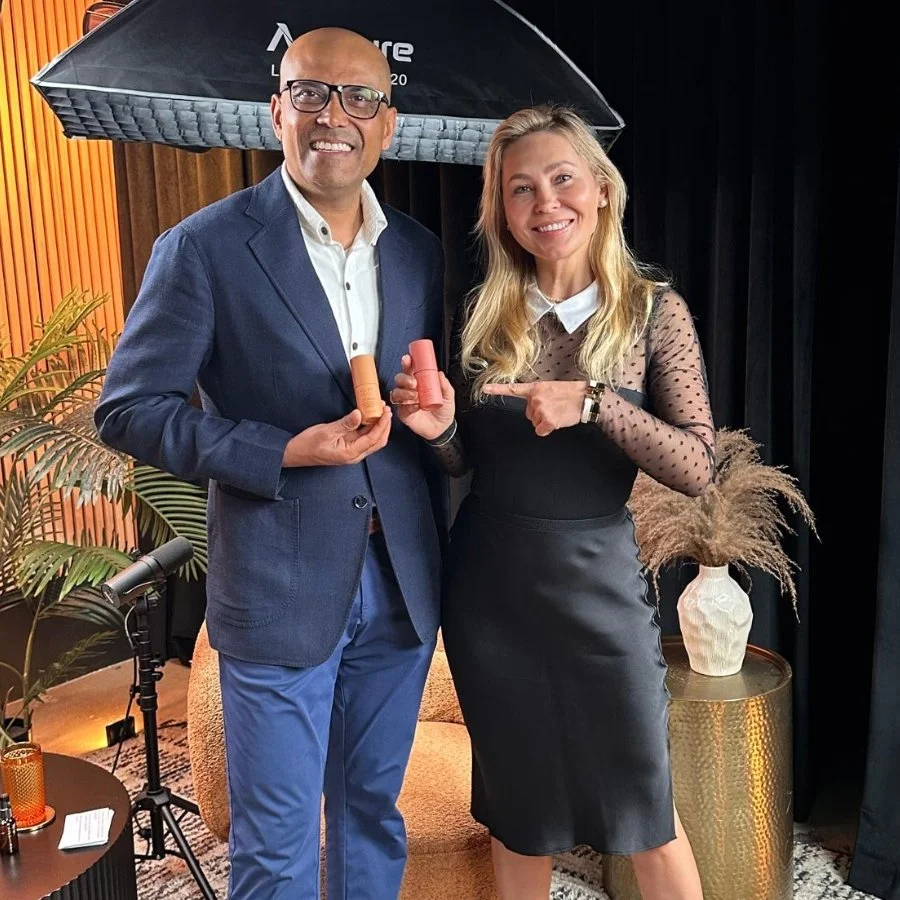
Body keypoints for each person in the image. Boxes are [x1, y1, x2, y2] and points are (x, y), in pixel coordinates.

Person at [95, 27, 445, 900]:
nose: (336, 116)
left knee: (372, 812)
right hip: (277, 582)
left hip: (401, 582)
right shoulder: (204, 247)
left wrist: (433, 421)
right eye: (312, 93)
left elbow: (444, 410)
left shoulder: (420, 251)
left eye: (360, 97)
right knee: (276, 845)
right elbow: (129, 410)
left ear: (389, 123)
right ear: (276, 110)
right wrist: (284, 448)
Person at [391, 105, 713, 900]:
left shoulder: (651, 312)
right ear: (501, 211)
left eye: (562, 179)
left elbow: (699, 465)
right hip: (491, 594)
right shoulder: (482, 316)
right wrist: (435, 431)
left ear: (602, 190)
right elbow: (468, 459)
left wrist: (597, 402)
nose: (545, 205)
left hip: (600, 589)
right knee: (519, 814)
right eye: (520, 189)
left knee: (648, 813)